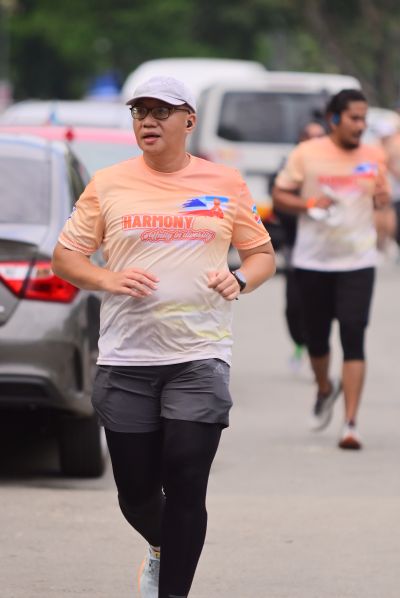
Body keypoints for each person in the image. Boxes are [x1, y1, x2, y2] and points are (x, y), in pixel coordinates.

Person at [52, 76, 275, 598]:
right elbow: (65, 258)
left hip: (200, 355)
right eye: (140, 112)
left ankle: (173, 591)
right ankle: (160, 545)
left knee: (187, 480)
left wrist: (240, 279)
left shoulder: (225, 182)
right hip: (127, 359)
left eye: (161, 111)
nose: (148, 121)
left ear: (188, 121)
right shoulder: (108, 184)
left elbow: (261, 255)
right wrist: (107, 278)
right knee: (136, 494)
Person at [272, 89, 390, 450]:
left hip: (358, 261)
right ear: (334, 119)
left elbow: (380, 198)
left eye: (364, 118)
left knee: (354, 335)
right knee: (317, 339)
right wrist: (309, 202)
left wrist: (382, 202)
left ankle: (350, 423)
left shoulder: (374, 155)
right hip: (313, 261)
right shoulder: (307, 153)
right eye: (354, 118)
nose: (361, 125)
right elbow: (280, 196)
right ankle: (324, 388)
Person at [271, 121, 326, 372]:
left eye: (320, 138)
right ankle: (300, 343)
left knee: (324, 309)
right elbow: (278, 202)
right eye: (309, 138)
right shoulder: (289, 169)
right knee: (294, 308)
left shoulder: (333, 167)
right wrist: (306, 207)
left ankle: (319, 352)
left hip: (329, 251)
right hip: (297, 249)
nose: (314, 143)